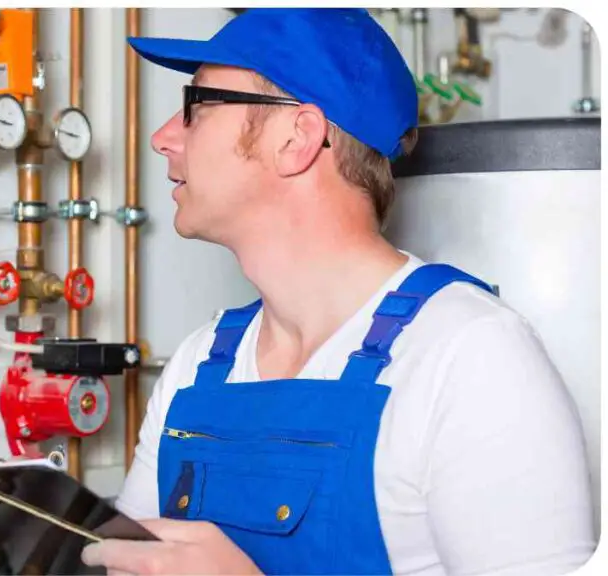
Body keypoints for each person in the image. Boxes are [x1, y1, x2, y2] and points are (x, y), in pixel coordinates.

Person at [81, 8, 596, 575]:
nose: (162, 139)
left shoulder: (469, 359)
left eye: (195, 107)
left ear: (297, 137)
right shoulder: (198, 364)